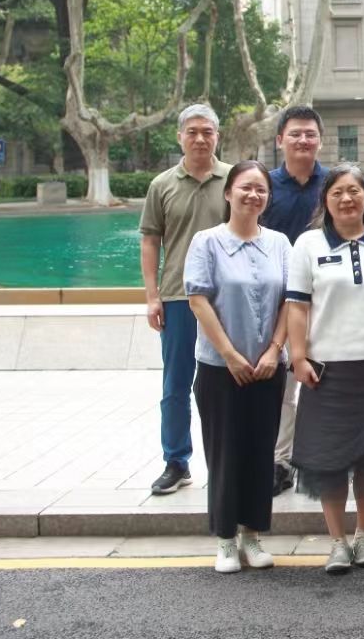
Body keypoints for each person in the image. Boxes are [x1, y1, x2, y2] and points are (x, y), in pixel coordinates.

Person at [286, 165, 364, 574]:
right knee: (330, 459)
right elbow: (298, 306)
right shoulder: (307, 244)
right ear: (326, 199)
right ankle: (337, 541)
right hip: (328, 369)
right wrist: (299, 356)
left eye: (354, 191)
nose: (347, 199)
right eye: (338, 191)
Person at [183, 161, 291, 573]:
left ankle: (253, 535)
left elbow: (291, 301)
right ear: (228, 193)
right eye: (245, 188)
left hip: (267, 367)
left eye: (261, 189)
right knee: (225, 451)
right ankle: (226, 540)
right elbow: (198, 300)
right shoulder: (207, 242)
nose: (253, 195)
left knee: (261, 451)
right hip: (219, 368)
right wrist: (229, 354)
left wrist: (274, 350)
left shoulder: (280, 243)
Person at [140, 104, 232, 495]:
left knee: (230, 379)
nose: (199, 138)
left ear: (217, 135)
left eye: (207, 131)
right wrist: (151, 296)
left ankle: (230, 460)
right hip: (178, 296)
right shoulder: (162, 185)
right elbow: (150, 241)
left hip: (227, 297)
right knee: (176, 384)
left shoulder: (233, 179)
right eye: (192, 131)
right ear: (180, 136)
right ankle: (176, 461)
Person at [262, 105, 327, 497]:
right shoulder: (264, 186)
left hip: (327, 300)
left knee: (326, 383)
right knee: (284, 387)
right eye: (295, 134)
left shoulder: (333, 183)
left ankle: (323, 457)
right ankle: (280, 461)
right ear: (279, 140)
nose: (303, 141)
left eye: (310, 134)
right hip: (279, 302)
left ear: (320, 140)